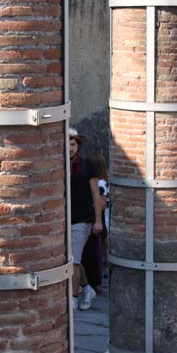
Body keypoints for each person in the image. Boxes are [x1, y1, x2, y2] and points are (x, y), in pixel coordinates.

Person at [69, 128, 104, 310]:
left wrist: (98, 220)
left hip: (82, 219)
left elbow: (96, 194)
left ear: (78, 146)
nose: (70, 148)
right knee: (72, 258)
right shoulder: (59, 165)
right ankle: (87, 288)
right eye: (67, 144)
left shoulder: (86, 165)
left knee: (73, 260)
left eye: (73, 144)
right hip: (64, 220)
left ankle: (74, 297)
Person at [81, 154, 109, 292]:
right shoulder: (103, 182)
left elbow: (102, 203)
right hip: (100, 219)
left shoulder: (100, 183)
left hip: (98, 219)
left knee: (95, 251)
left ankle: (94, 282)